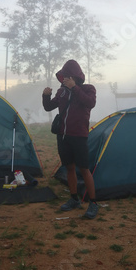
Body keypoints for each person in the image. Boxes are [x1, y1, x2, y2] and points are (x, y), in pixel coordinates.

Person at [42, 59, 99, 219]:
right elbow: (48, 107)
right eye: (64, 76)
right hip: (63, 136)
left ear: (76, 77)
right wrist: (46, 96)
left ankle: (93, 203)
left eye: (68, 76)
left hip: (79, 136)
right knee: (69, 168)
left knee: (84, 169)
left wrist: (74, 88)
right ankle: (74, 199)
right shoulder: (61, 92)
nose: (65, 79)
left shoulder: (88, 89)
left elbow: (90, 103)